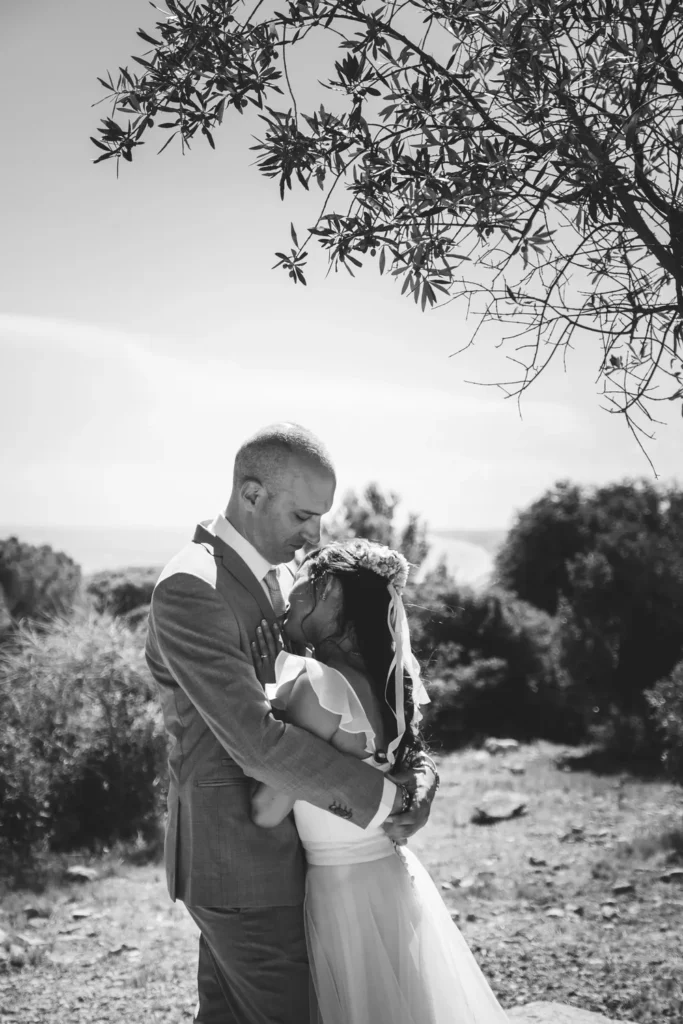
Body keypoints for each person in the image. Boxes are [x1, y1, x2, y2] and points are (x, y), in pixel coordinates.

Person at [145, 423, 438, 1024]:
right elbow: (257, 744)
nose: (314, 536)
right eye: (303, 516)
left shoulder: (282, 577)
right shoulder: (192, 587)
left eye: (320, 519)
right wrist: (387, 799)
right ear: (251, 496)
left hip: (292, 856)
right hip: (239, 863)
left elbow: (371, 686)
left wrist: (421, 775)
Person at [251, 539, 510, 1024]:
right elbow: (407, 760)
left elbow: (266, 809)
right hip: (391, 881)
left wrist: (264, 696)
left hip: (343, 895)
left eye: (301, 582)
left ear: (327, 590)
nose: (288, 597)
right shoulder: (387, 684)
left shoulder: (316, 687)